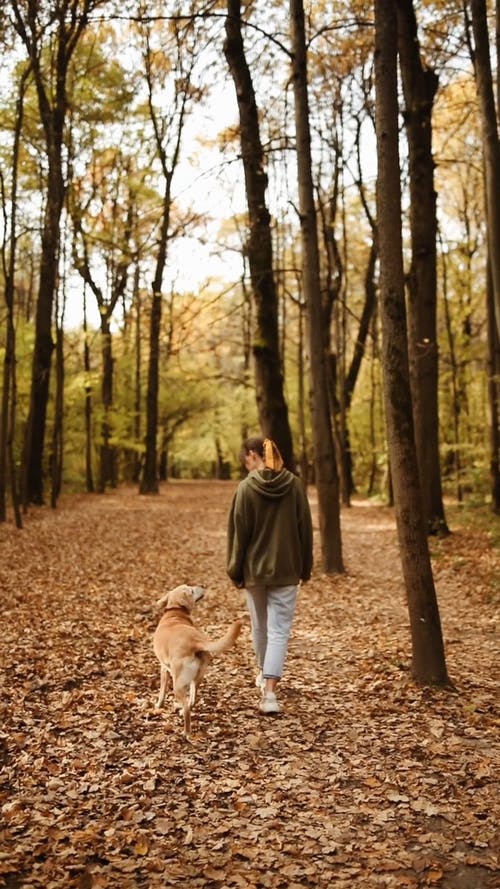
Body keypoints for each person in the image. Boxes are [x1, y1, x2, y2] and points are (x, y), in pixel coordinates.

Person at [227, 436, 313, 714]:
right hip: (286, 569)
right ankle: (269, 694)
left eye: (246, 461)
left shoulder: (245, 489)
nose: (246, 467)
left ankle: (265, 675)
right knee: (279, 632)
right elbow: (305, 531)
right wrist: (305, 567)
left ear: (253, 455)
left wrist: (235, 570)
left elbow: (239, 534)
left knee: (260, 627)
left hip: (254, 571)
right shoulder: (295, 486)